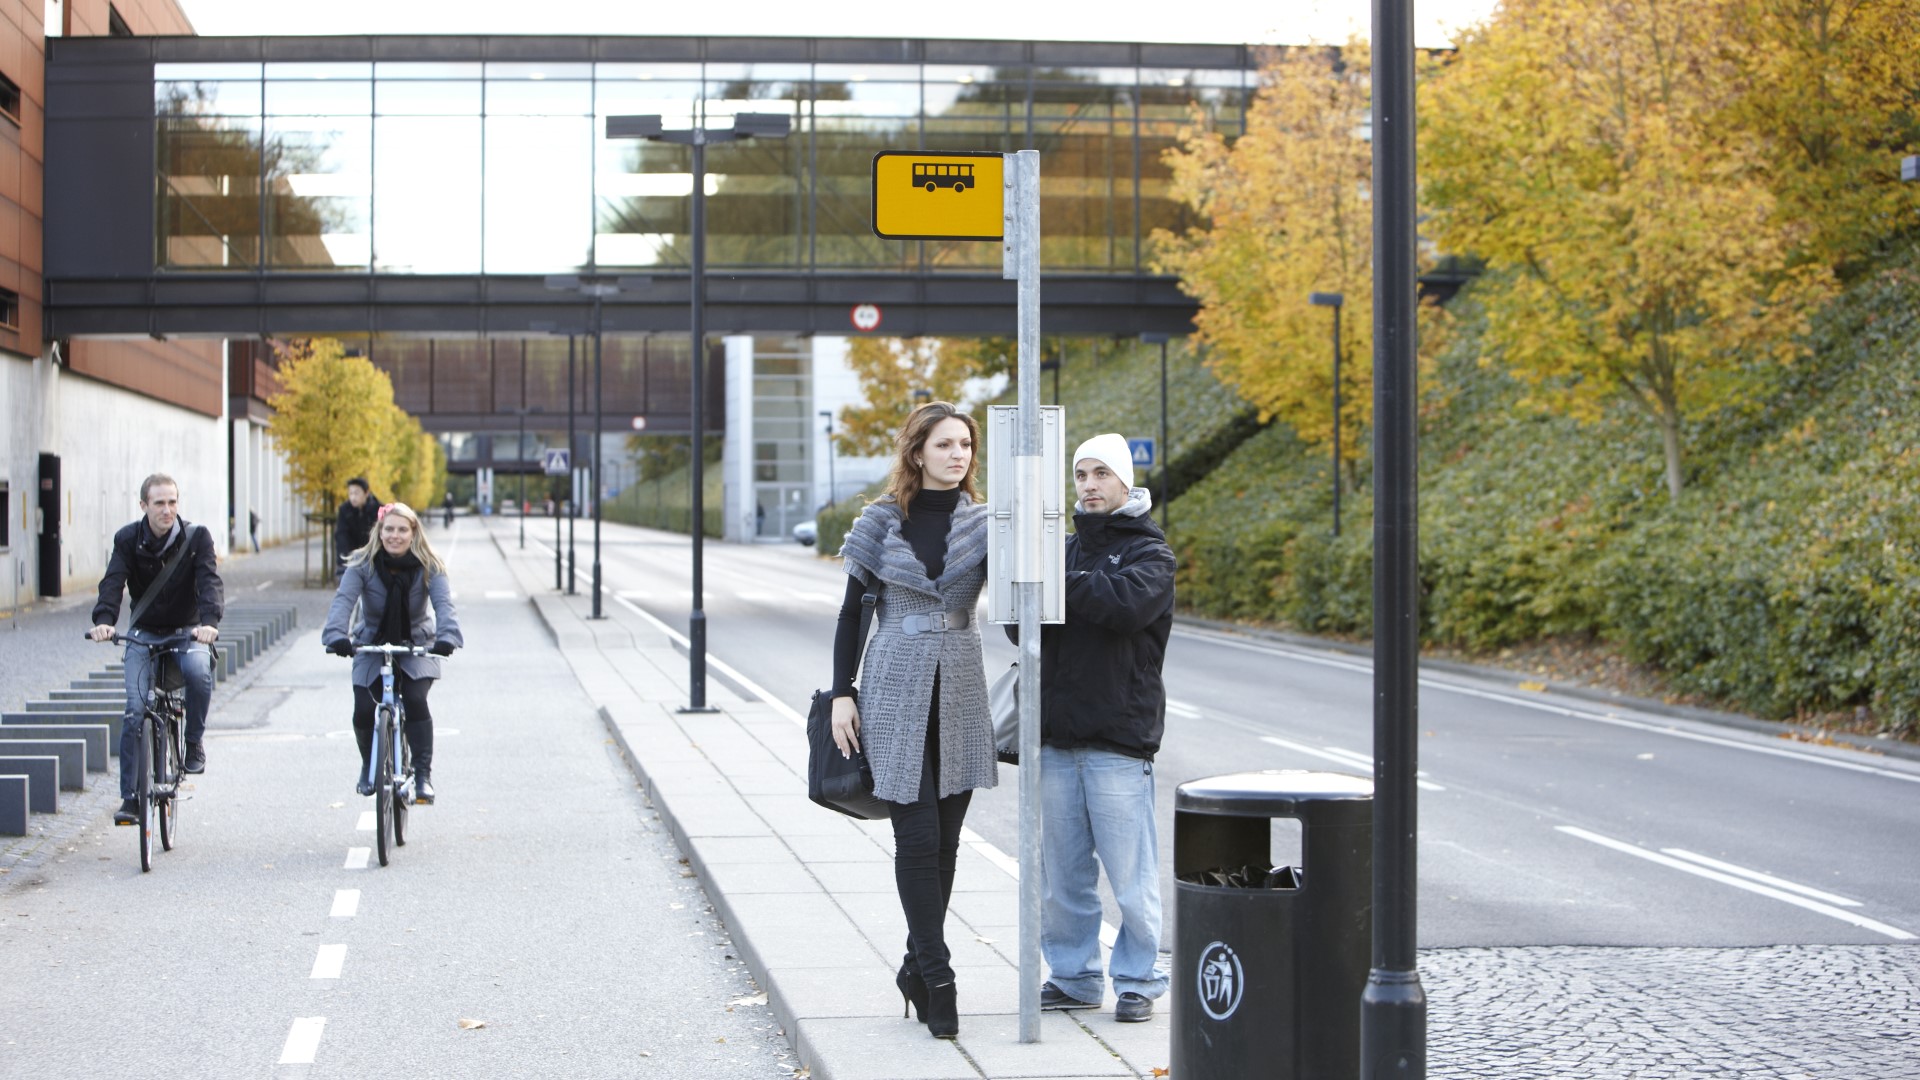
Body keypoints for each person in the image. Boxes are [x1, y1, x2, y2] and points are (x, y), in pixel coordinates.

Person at [830, 401, 995, 1041]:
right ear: (917, 452)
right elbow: (852, 614)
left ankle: (912, 965)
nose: (958, 455)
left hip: (959, 683)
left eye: (966, 445)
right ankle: (941, 975)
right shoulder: (879, 521)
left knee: (947, 843)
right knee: (918, 838)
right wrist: (843, 692)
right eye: (946, 444)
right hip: (893, 684)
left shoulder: (985, 524)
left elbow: (1014, 602)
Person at [1028, 433, 1176, 1023]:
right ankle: (1074, 977)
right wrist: (1034, 582)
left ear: (1124, 482)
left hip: (1119, 738)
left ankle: (1139, 979)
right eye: (1081, 475)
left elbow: (1124, 608)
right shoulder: (1060, 549)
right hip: (1058, 736)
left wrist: (1052, 578)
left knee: (1131, 878)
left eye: (1100, 475)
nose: (1088, 485)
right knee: (1063, 879)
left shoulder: (1151, 554)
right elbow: (1025, 631)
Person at [89, 474, 223, 827]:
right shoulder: (127, 539)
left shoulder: (197, 538)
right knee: (134, 710)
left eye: (173, 502)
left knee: (197, 673)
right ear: (144, 505)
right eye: (160, 503)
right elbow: (113, 582)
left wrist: (209, 622)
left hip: (187, 629)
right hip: (143, 632)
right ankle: (131, 799)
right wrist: (104, 619)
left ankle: (193, 742)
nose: (167, 510)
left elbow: (210, 582)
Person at [321, 502, 462, 805]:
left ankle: (422, 775)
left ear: (413, 533)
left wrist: (447, 636)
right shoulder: (361, 564)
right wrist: (337, 635)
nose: (394, 536)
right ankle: (369, 763)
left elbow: (444, 606)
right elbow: (343, 601)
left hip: (416, 644)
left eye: (402, 530)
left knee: (414, 698)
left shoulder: (430, 565)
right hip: (371, 643)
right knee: (362, 707)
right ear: (379, 531)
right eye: (389, 529)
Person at [333, 478, 379, 570]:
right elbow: (342, 535)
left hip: (374, 559)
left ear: (366, 493)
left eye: (356, 493)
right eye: (350, 493)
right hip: (351, 559)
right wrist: (343, 562)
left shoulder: (378, 509)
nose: (353, 497)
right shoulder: (344, 510)